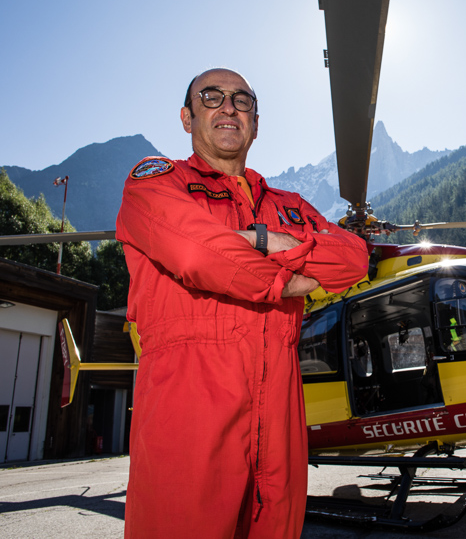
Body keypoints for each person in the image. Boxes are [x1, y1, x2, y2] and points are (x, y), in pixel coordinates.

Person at [116, 68, 369, 538]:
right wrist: (284, 268)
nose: (229, 107)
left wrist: (254, 240)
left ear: (256, 123)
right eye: (211, 97)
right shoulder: (156, 183)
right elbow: (198, 255)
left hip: (281, 406)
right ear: (187, 118)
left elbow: (353, 259)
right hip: (189, 402)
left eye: (242, 100)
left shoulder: (289, 204)